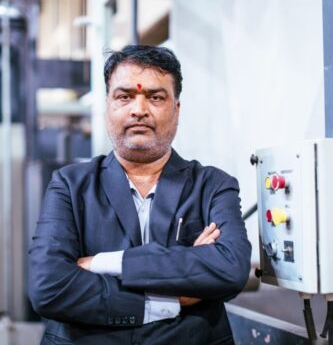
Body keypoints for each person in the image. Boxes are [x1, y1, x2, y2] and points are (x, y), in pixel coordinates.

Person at [28, 45, 252, 345]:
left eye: (156, 97)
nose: (139, 110)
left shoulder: (213, 185)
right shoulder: (70, 185)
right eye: (124, 96)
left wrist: (103, 264)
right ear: (108, 105)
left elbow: (230, 269)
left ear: (177, 109)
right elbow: (49, 287)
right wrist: (172, 296)